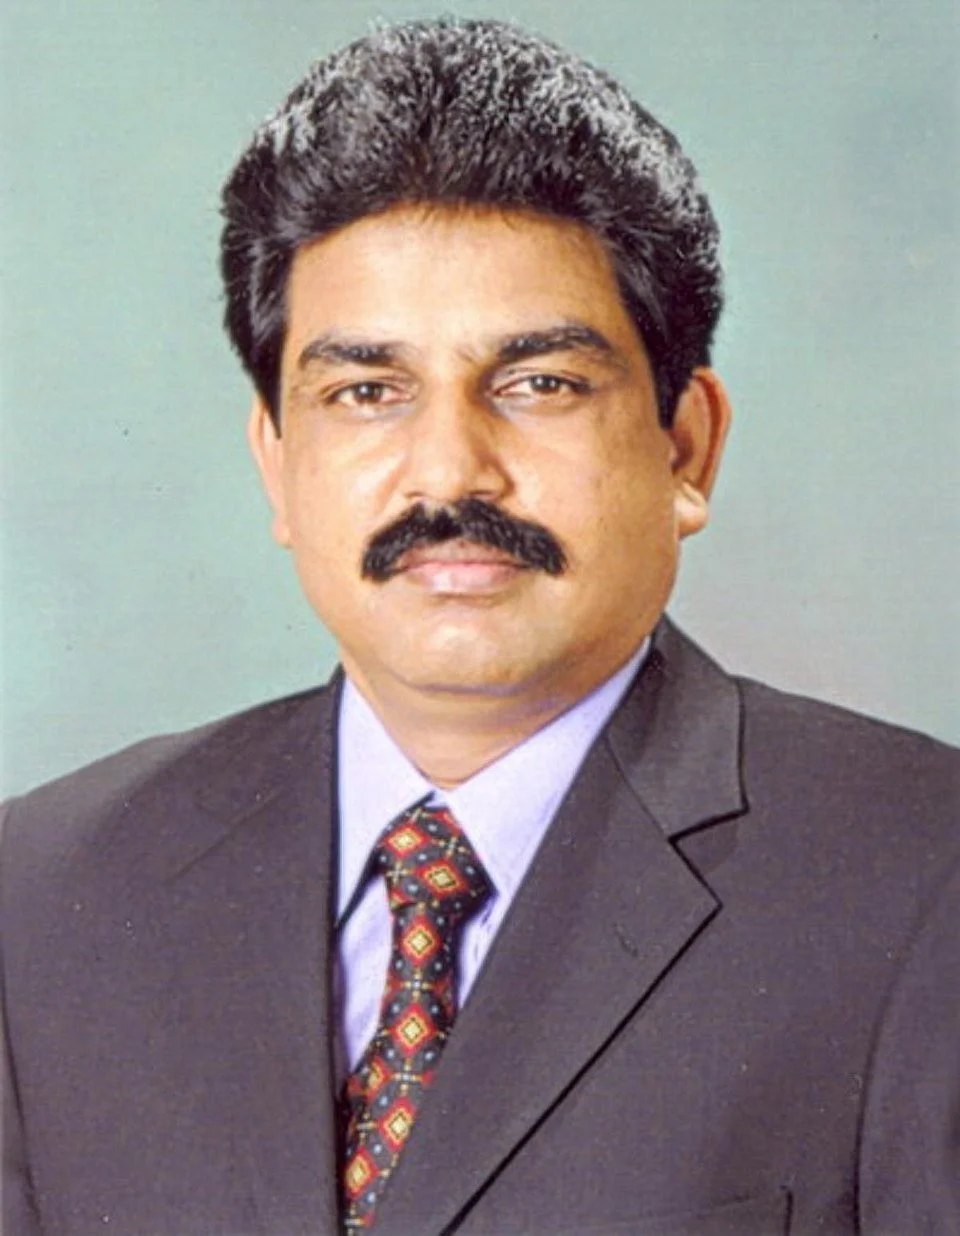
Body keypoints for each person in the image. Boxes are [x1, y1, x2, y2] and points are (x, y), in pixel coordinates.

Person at [2, 17, 956, 1236]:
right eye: (366, 392)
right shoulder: (44, 892)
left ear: (684, 446)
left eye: (538, 383)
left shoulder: (928, 879)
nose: (449, 472)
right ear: (277, 465)